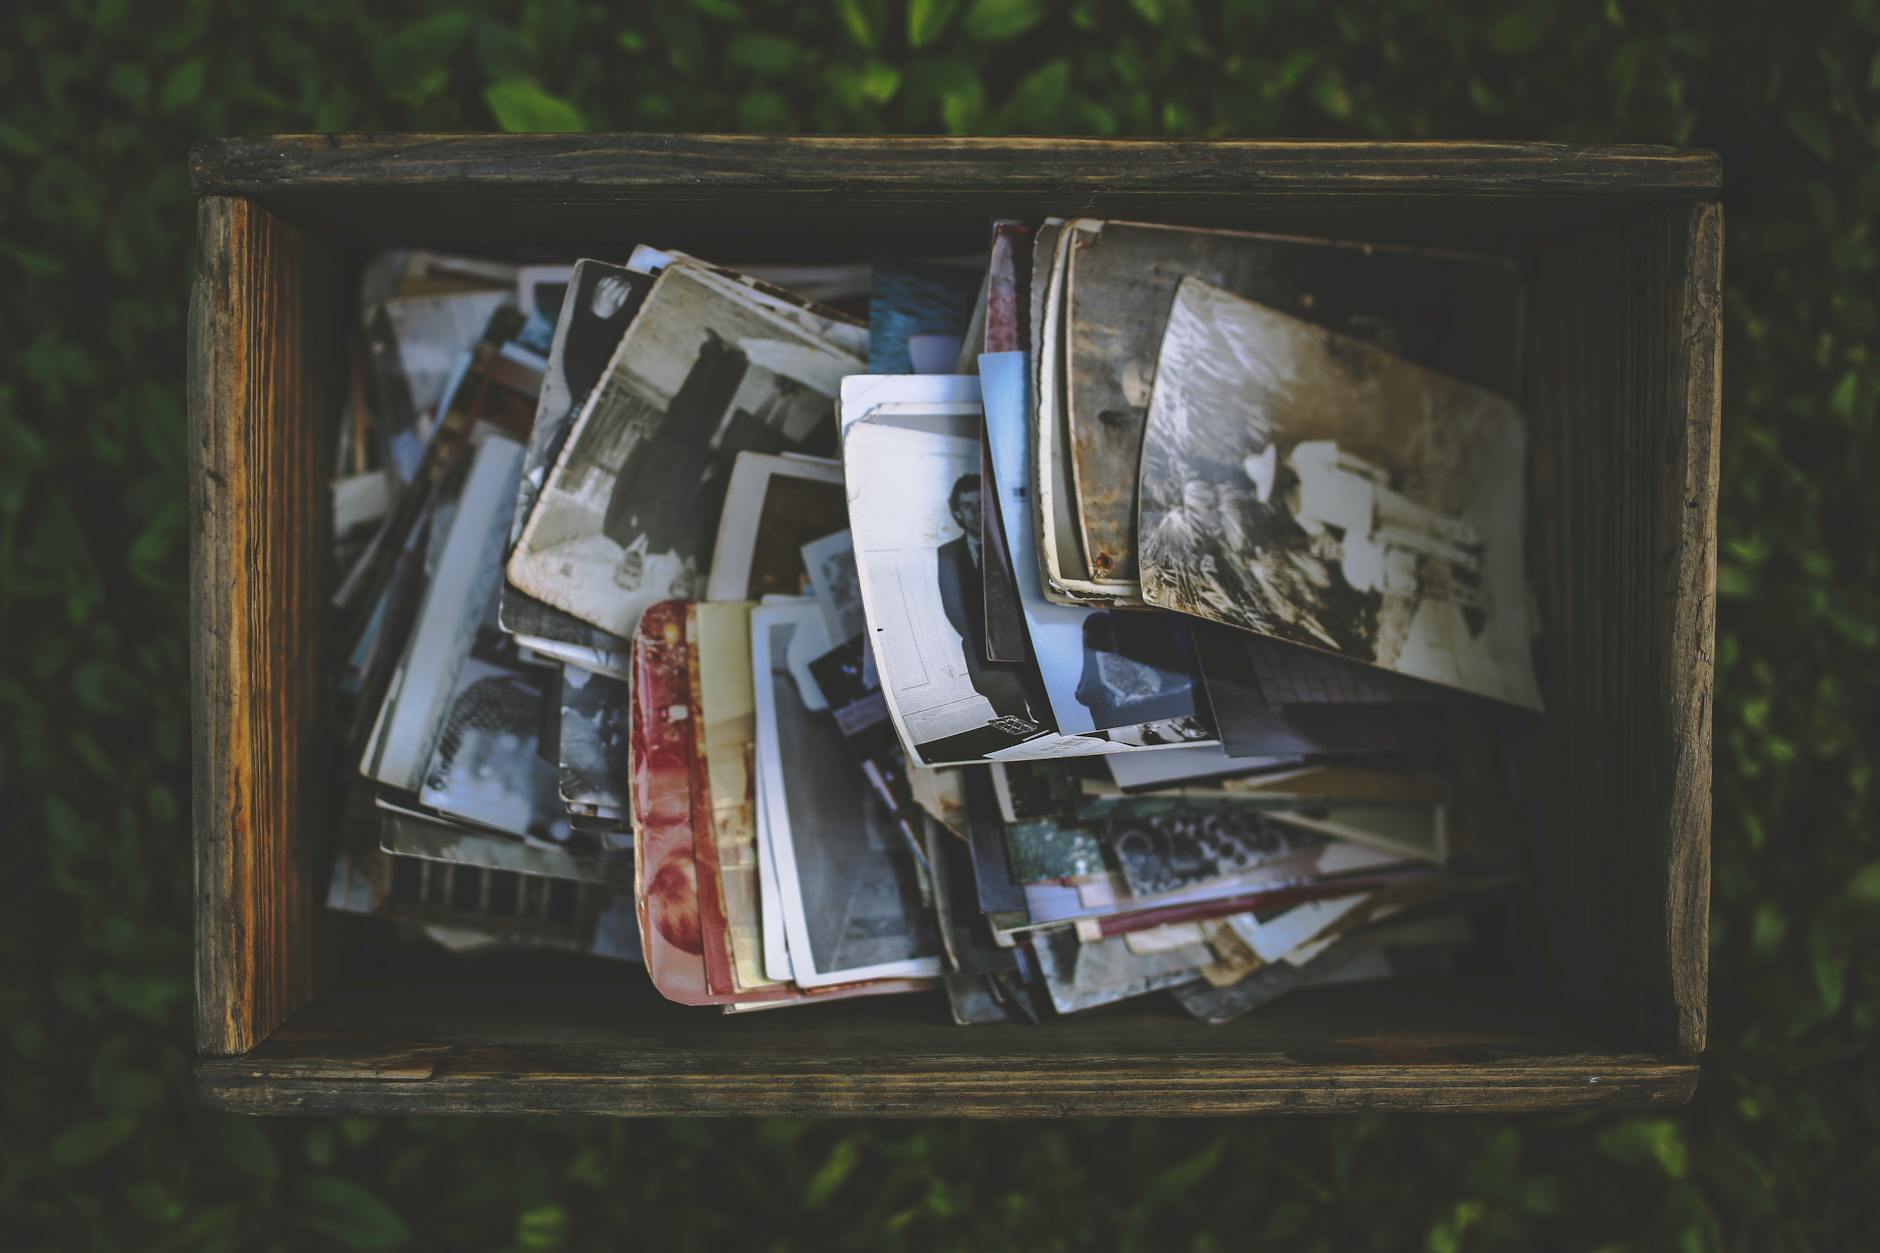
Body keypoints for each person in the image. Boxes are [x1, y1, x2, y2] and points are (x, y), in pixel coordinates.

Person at [934, 474, 1038, 729]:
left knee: (1048, 713)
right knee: (1014, 724)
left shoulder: (1011, 540)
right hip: (985, 655)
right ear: (957, 514)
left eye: (980, 504)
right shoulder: (948, 554)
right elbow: (954, 609)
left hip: (1028, 647)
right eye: (967, 507)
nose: (975, 512)